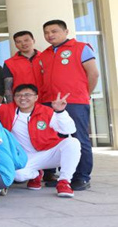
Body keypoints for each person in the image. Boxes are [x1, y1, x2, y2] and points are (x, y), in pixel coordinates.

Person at [0, 85, 80, 198]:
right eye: (18, 95)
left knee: (72, 142)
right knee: (15, 175)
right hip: (24, 157)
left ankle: (64, 181)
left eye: (27, 95)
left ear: (36, 97)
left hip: (48, 153)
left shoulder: (47, 112)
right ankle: (35, 174)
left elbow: (69, 130)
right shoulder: (5, 109)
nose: (23, 98)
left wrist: (60, 111)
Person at [39, 19, 100, 191]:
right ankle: (64, 176)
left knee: (78, 138)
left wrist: (85, 94)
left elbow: (93, 74)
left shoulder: (81, 48)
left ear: (66, 31)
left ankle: (82, 177)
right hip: (49, 102)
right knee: (56, 139)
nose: (50, 35)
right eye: (46, 32)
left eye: (54, 31)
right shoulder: (44, 54)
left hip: (74, 102)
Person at [3, 30, 43, 102]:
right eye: (19, 42)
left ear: (33, 41)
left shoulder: (45, 58)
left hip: (47, 100)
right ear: (15, 44)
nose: (23, 43)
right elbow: (7, 88)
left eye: (26, 40)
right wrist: (10, 105)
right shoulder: (9, 63)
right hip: (23, 101)